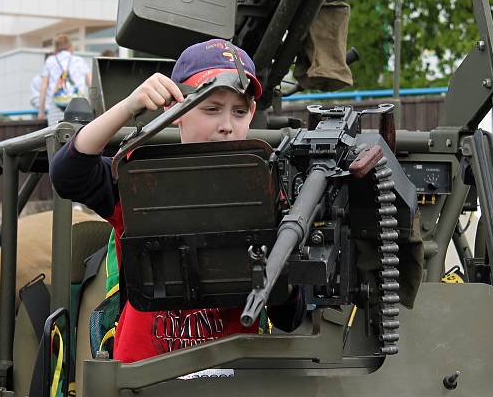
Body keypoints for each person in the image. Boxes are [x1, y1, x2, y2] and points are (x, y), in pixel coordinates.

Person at [50, 39, 304, 363]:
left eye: (239, 111)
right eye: (211, 108)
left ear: (252, 113)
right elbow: (67, 173)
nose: (227, 125)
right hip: (143, 378)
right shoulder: (141, 178)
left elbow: (289, 315)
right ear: (175, 110)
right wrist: (130, 106)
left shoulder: (270, 189)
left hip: (233, 381)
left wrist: (287, 271)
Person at [38, 34, 91, 126]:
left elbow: (43, 87)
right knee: (79, 135)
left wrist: (41, 111)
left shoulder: (50, 61)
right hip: (78, 106)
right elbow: (91, 84)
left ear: (55, 48)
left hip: (56, 107)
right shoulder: (80, 61)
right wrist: (90, 106)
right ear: (71, 47)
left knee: (57, 135)